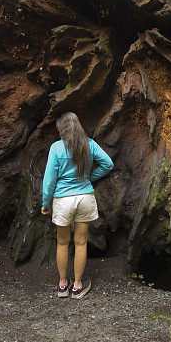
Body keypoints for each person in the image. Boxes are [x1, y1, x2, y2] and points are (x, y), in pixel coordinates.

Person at [41, 112, 113, 299]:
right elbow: (107, 164)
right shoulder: (89, 145)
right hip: (85, 198)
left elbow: (49, 180)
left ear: (62, 129)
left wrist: (45, 203)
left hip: (63, 200)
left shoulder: (56, 148)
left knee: (62, 242)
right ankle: (78, 287)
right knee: (81, 242)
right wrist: (90, 178)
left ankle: (63, 285)